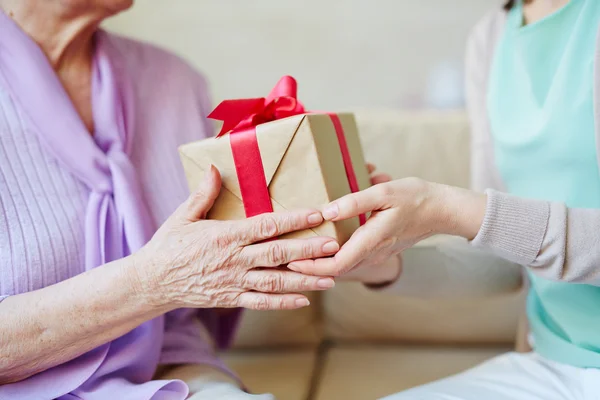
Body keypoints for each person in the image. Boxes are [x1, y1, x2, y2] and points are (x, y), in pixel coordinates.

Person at [0, 1, 400, 398]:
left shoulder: (174, 79)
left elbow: (207, 300)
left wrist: (301, 234)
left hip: (175, 369)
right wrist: (153, 282)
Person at [289, 0, 600, 398]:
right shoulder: (491, 37)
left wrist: (448, 209)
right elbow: (503, 261)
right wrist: (377, 262)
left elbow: (477, 219)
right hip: (554, 367)